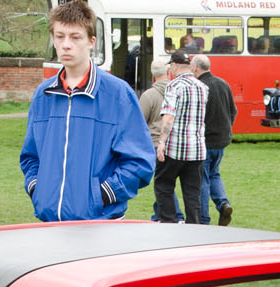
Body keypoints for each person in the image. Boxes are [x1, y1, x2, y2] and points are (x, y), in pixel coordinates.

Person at [19, 0, 155, 222]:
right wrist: (38, 189)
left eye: (75, 37)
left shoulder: (118, 94)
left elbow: (140, 162)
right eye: (60, 36)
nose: (66, 45)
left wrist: (100, 196)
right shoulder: (44, 94)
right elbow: (30, 157)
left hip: (100, 225)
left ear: (91, 41)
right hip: (49, 224)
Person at [154, 50, 207, 224]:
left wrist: (161, 142)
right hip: (197, 149)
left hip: (175, 147)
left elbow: (169, 117)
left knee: (163, 185)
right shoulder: (203, 87)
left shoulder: (174, 86)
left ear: (174, 65)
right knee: (192, 194)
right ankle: (194, 226)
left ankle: (168, 222)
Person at [192, 54, 234, 225]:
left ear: (195, 68)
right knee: (214, 173)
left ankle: (203, 217)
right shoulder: (224, 84)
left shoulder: (199, 87)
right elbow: (233, 111)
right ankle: (223, 203)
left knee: (202, 178)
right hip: (222, 140)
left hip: (205, 141)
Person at [138, 56, 179, 222]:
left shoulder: (148, 96)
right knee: (165, 182)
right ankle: (159, 214)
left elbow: (140, 120)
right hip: (174, 142)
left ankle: (176, 214)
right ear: (168, 72)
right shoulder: (177, 91)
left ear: (153, 74)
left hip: (155, 143)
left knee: (163, 184)